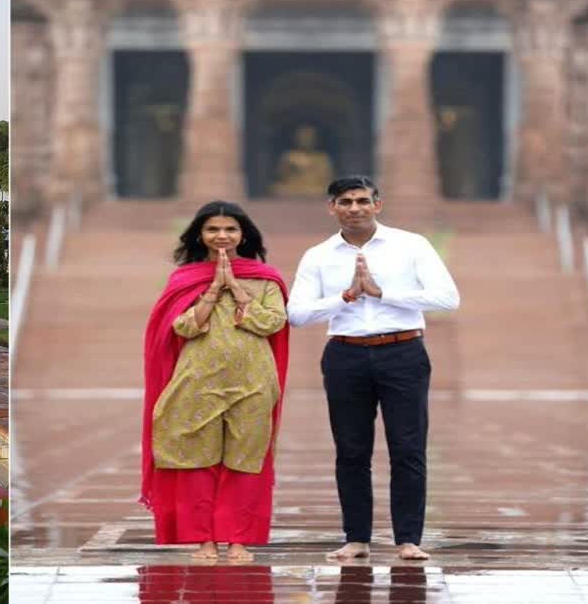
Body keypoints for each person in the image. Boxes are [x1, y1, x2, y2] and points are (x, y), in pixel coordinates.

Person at [287, 176, 459, 561]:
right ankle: (356, 538)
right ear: (332, 208)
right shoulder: (318, 255)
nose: (354, 208)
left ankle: (408, 539)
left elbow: (447, 298)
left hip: (402, 350)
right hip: (345, 354)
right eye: (345, 201)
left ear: (377, 205)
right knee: (350, 450)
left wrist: (384, 293)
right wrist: (345, 297)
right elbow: (295, 314)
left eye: (362, 200)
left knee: (408, 447)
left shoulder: (411, 245)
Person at [142, 201, 290, 562]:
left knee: (246, 460)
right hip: (197, 380)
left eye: (230, 229)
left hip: (254, 380)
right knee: (196, 460)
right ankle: (204, 539)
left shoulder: (265, 278)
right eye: (213, 229)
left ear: (244, 235)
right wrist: (212, 290)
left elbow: (274, 322)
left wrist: (237, 289)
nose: (222, 236)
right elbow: (183, 327)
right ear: (200, 235)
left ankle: (238, 539)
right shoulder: (185, 278)